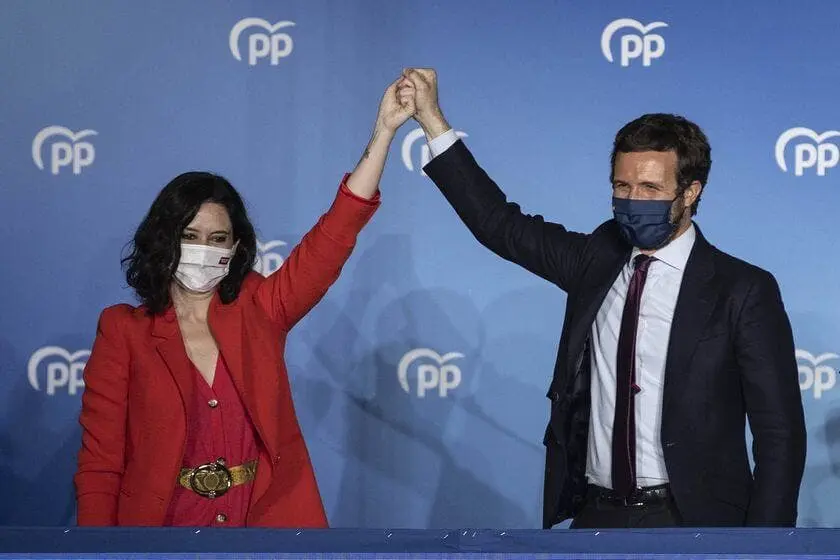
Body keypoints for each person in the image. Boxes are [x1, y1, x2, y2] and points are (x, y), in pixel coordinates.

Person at [399, 68, 807, 529]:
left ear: (690, 192)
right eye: (622, 187)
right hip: (597, 519)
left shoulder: (742, 289)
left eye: (651, 189)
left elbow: (780, 436)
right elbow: (499, 225)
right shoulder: (594, 259)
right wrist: (433, 122)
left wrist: (761, 548)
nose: (634, 200)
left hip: (696, 523)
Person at [74, 78, 416, 527]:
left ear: (236, 247)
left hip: (263, 527)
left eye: (218, 238)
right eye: (190, 237)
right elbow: (101, 463)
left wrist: (384, 132)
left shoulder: (261, 307)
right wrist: (96, 553)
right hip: (161, 532)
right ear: (164, 241)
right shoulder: (123, 330)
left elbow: (333, 236)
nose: (204, 249)